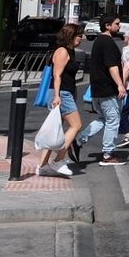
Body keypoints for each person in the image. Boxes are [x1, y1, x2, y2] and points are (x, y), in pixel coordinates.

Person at [37, 22, 85, 177]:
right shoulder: (63, 51)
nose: (82, 38)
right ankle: (59, 159)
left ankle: (43, 166)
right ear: (70, 36)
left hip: (65, 92)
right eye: (79, 35)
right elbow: (57, 75)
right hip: (62, 93)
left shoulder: (70, 51)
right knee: (76, 125)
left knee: (55, 131)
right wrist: (57, 96)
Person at [82, 14, 129, 165]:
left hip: (97, 88)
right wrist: (120, 85)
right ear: (107, 26)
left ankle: (78, 140)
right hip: (106, 89)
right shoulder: (107, 42)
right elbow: (112, 66)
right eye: (117, 23)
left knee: (104, 118)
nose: (119, 26)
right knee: (113, 120)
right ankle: (108, 155)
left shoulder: (98, 41)